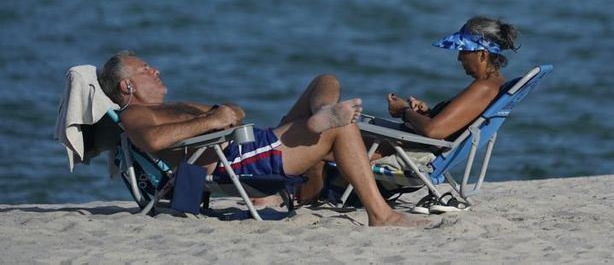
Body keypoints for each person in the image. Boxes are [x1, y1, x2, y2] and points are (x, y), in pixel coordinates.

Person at [97, 50, 426, 227]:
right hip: (236, 162)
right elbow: (153, 141)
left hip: (253, 144)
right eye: (145, 69)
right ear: (127, 85)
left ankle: (321, 113)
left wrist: (225, 113)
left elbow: (234, 110)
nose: (155, 70)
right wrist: (212, 119)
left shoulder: (172, 106)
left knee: (326, 80)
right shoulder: (134, 115)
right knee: (341, 128)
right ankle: (381, 215)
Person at [385, 16, 519, 142]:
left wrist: (403, 111)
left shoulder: (484, 87)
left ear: (483, 55)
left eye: (463, 51)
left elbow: (432, 131)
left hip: (414, 151)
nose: (459, 58)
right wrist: (426, 114)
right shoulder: (495, 83)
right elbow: (452, 126)